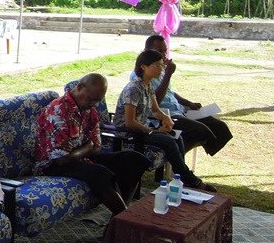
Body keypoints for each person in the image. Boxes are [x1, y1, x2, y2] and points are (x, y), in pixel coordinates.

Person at [35, 73, 151, 216]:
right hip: (51, 166)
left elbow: (97, 146)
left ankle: (117, 222)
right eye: (91, 99)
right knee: (99, 173)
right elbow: (61, 159)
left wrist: (85, 149)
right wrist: (87, 146)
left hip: (80, 159)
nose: (93, 104)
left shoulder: (90, 110)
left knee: (135, 160)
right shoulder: (58, 110)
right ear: (79, 87)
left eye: (97, 101)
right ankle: (125, 221)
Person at [114, 49, 217, 192]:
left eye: (162, 65)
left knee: (177, 136)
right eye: (157, 65)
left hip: (142, 129)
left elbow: (156, 110)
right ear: (144, 66)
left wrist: (166, 118)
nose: (161, 69)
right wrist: (153, 131)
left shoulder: (147, 85)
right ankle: (190, 180)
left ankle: (182, 177)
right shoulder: (134, 88)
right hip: (128, 132)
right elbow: (129, 123)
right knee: (167, 140)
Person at [145, 34, 232, 155]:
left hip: (180, 111)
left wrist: (188, 103)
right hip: (164, 116)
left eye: (165, 51)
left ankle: (177, 156)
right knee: (201, 131)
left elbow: (169, 92)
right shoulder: (143, 74)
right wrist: (168, 75)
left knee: (220, 127)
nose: (164, 55)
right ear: (147, 52)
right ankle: (175, 161)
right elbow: (155, 102)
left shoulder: (161, 69)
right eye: (160, 51)